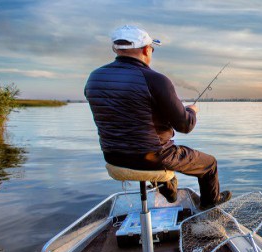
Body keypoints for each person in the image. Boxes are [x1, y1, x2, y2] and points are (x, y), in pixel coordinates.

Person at [84, 25, 231, 210]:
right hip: (152, 157)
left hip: (113, 157)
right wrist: (192, 111)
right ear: (146, 49)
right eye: (152, 49)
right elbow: (185, 126)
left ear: (116, 49)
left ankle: (170, 192)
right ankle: (210, 210)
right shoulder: (155, 79)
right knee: (209, 164)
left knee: (163, 155)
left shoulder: (94, 78)